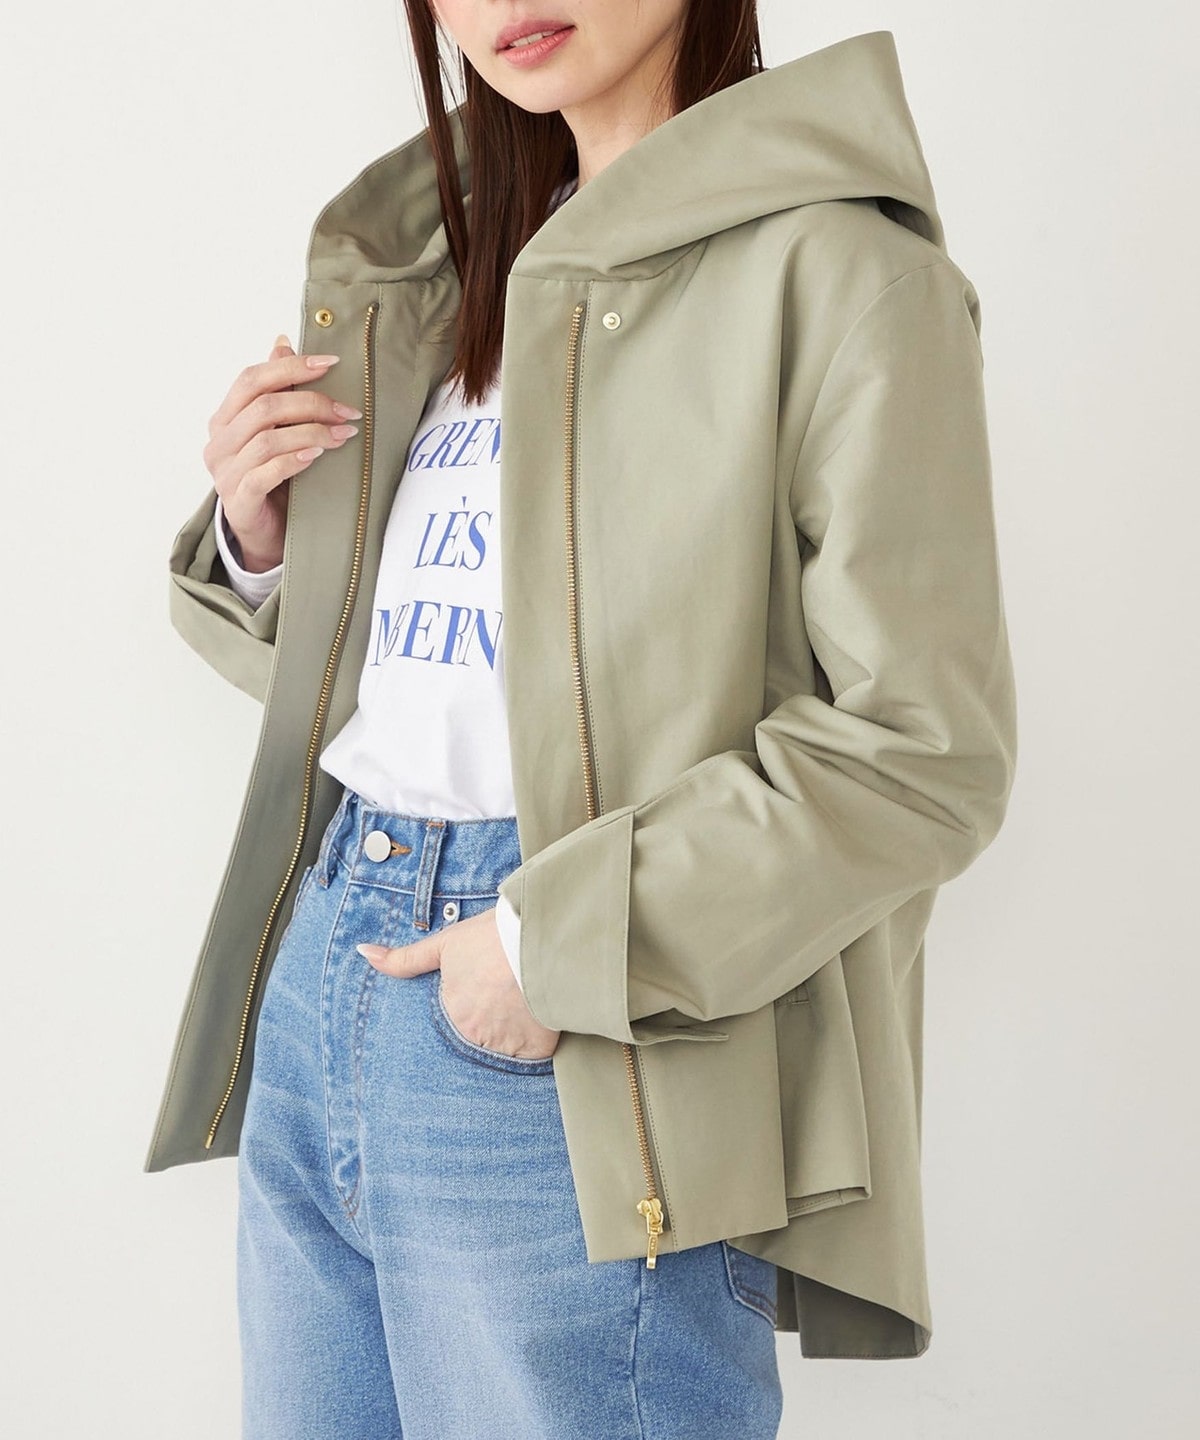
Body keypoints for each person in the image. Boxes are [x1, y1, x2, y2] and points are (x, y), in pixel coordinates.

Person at [147, 3, 1018, 1435]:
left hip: (585, 1017)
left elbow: (924, 754)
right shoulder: (449, 264)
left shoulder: (843, 272)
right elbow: (469, 677)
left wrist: (544, 950)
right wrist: (264, 543)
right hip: (332, 966)